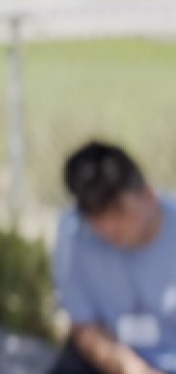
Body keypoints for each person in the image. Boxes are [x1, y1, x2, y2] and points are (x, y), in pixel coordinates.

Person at [50, 141, 176, 374]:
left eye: (119, 212)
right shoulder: (74, 233)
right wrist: (133, 369)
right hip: (109, 360)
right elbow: (83, 326)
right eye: (97, 217)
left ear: (148, 195)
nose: (108, 228)